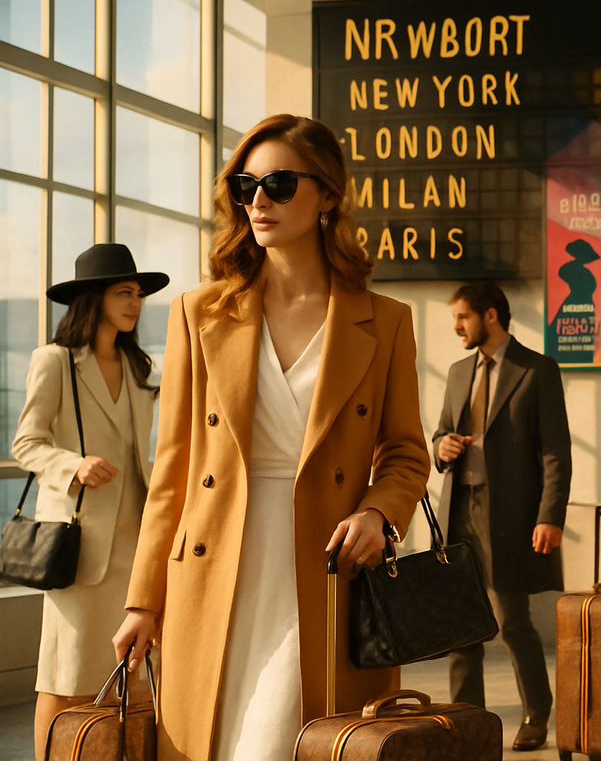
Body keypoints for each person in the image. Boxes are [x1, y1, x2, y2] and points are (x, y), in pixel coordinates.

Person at [111, 114, 430, 761]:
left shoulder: (386, 322)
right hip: (214, 569)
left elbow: (405, 453)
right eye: (246, 185)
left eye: (280, 183)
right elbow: (170, 469)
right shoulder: (199, 313)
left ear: (328, 195)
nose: (258, 200)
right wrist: (143, 601)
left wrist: (379, 511)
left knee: (286, 741)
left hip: (325, 573)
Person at [12, 243, 169, 761]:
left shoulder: (137, 367)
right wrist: (73, 465)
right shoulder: (55, 361)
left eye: (139, 295)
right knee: (65, 679)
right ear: (93, 299)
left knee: (137, 682)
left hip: (138, 547)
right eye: (125, 293)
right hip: (80, 550)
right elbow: (26, 443)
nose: (136, 303)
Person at [432, 282, 572, 752]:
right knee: (461, 626)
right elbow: (439, 433)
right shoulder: (455, 373)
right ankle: (467, 723)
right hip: (459, 514)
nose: (455, 327)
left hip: (509, 515)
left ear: (490, 316)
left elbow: (555, 452)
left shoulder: (537, 370)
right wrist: (442, 447)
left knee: (512, 621)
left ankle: (537, 713)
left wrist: (549, 515)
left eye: (462, 318)